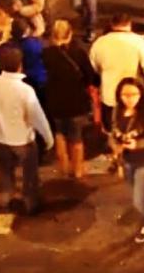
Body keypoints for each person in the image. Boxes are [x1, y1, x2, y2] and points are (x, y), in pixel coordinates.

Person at [0, 44, 53, 214]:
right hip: (23, 139)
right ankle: (30, 201)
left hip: (1, 136)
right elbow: (37, 117)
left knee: (5, 169)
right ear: (20, 65)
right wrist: (48, 138)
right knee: (29, 173)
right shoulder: (25, 90)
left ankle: (5, 197)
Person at [89, 14, 144, 141]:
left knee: (112, 133)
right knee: (133, 133)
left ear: (112, 25)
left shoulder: (99, 43)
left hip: (109, 97)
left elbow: (93, 68)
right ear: (130, 25)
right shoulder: (139, 43)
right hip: (133, 97)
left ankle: (114, 154)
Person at [111, 78, 144, 248]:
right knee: (138, 197)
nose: (130, 98)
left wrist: (138, 144)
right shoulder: (117, 111)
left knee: (138, 200)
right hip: (127, 162)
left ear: (141, 95)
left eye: (134, 94)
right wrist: (115, 146)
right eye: (125, 94)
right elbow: (113, 133)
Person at [41, 20, 96, 179]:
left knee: (59, 133)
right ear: (70, 34)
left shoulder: (46, 54)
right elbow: (90, 77)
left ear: (52, 36)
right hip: (76, 101)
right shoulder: (79, 53)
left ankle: (64, 167)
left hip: (55, 101)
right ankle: (78, 169)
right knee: (76, 136)